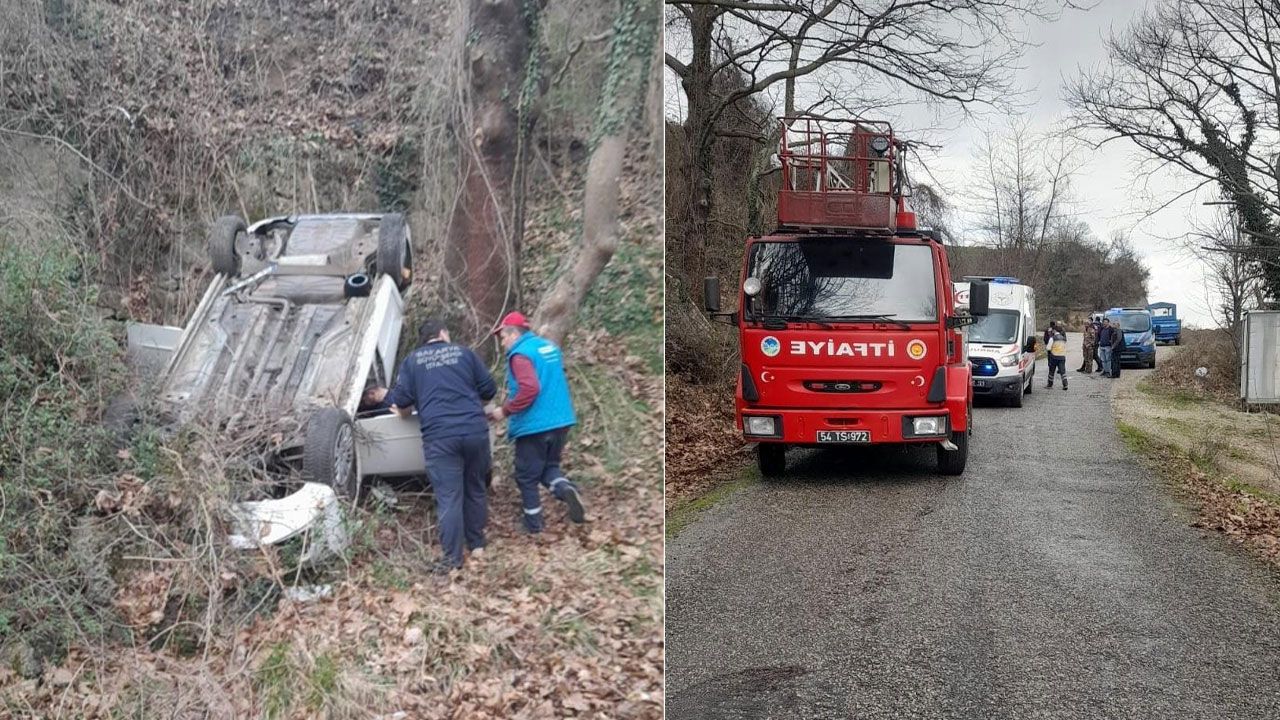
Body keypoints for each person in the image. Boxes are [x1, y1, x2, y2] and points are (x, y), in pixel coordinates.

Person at [386, 318, 497, 573]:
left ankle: (452, 560)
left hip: (440, 436)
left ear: (423, 340)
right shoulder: (464, 353)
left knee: (449, 497)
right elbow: (489, 390)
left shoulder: (413, 361)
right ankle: (477, 545)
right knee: (475, 488)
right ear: (443, 334)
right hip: (474, 430)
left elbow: (401, 401)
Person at [488, 311, 586, 533]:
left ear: (513, 334)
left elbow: (530, 388)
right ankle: (565, 488)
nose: (502, 342)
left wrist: (504, 411)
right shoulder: (548, 348)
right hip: (561, 420)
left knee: (525, 476)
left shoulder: (520, 354)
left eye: (503, 336)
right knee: (548, 468)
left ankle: (534, 524)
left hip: (535, 425)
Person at [1045, 322, 1068, 390]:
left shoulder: (1053, 338)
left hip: (1054, 356)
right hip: (1062, 356)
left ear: (1055, 331)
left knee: (1051, 371)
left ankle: (1050, 384)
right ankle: (1065, 384)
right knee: (1062, 371)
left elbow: (1048, 348)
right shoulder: (1063, 338)